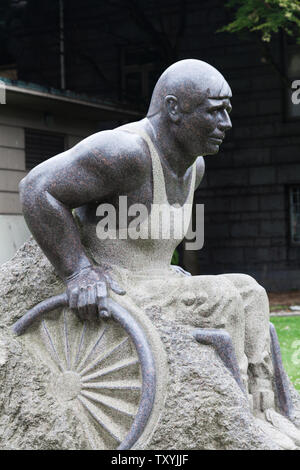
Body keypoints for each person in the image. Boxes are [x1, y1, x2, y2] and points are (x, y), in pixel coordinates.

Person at [19, 59, 300, 448]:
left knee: (250, 291)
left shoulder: (194, 166)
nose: (227, 123)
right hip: (116, 283)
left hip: (155, 281)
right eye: (215, 110)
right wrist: (78, 271)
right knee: (225, 299)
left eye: (228, 111)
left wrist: (169, 273)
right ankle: (236, 419)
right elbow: (36, 189)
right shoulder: (125, 152)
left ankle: (264, 407)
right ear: (173, 109)